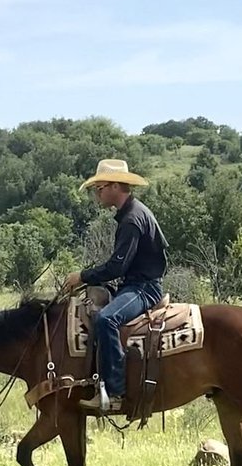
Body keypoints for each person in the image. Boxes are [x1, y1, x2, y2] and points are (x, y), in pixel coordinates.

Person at [63, 159, 169, 414]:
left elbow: (116, 268)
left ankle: (115, 392)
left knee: (106, 320)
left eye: (100, 188)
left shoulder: (132, 220)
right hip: (134, 283)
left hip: (143, 288)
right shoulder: (131, 213)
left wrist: (83, 275)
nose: (97, 193)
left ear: (115, 187)